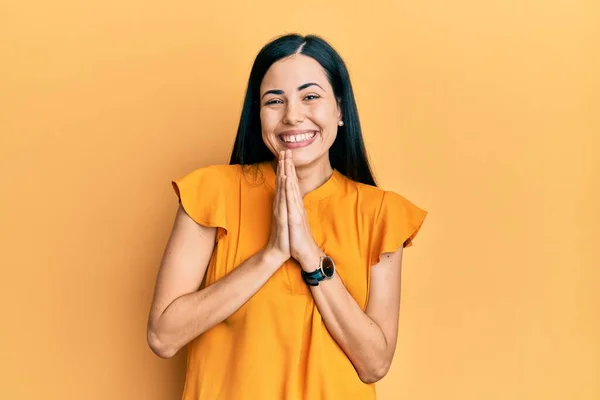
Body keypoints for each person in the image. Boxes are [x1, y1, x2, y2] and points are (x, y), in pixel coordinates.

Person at [146, 33, 428, 400]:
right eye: (274, 101)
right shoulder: (210, 193)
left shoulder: (381, 214)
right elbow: (163, 336)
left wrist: (310, 255)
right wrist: (272, 254)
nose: (292, 115)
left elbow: (374, 363)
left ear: (340, 110)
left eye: (310, 96)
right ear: (258, 115)